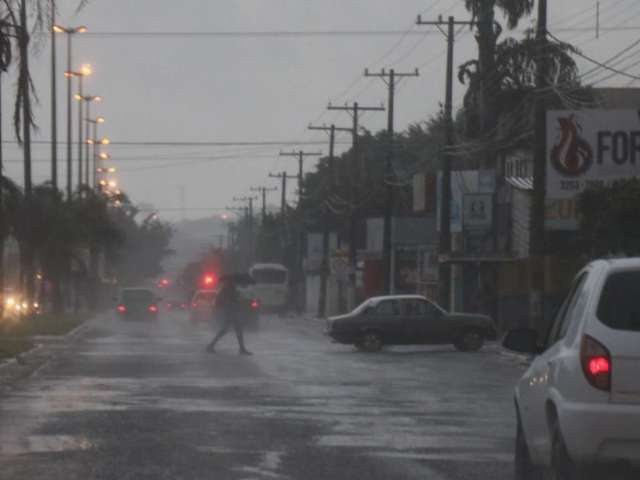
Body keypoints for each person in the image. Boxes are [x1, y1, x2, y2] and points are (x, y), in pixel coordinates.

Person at [206, 276, 252, 355]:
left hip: (230, 311)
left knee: (227, 330)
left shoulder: (227, 288)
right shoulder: (229, 288)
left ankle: (211, 345)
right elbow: (231, 299)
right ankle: (241, 349)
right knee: (235, 330)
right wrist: (236, 296)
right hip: (230, 311)